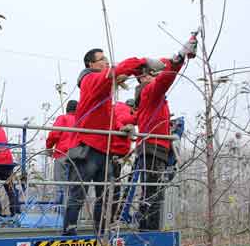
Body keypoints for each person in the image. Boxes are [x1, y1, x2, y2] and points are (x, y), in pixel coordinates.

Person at [62, 49, 152, 235]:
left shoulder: (104, 93)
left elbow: (108, 117)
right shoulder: (90, 80)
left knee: (106, 196)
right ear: (90, 64)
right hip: (87, 148)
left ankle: (101, 232)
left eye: (105, 59)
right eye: (101, 59)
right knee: (79, 193)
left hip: (104, 150)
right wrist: (142, 61)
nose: (105, 62)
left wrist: (121, 126)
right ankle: (69, 233)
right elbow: (115, 71)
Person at [134, 36, 197, 230]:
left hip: (155, 147)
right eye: (154, 74)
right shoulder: (149, 91)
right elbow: (165, 78)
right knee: (153, 192)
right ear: (145, 77)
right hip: (152, 147)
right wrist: (179, 56)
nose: (157, 77)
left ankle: (147, 226)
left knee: (152, 190)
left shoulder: (153, 98)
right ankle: (149, 231)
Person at [46, 100, 77, 181]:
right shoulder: (81, 120)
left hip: (62, 154)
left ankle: (62, 194)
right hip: (78, 156)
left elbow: (54, 134)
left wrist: (49, 148)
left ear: (67, 109)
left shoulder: (63, 118)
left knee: (60, 185)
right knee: (75, 186)